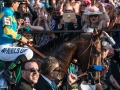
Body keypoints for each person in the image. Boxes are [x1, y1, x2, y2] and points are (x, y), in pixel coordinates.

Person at [0, 0, 33, 84]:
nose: (18, 5)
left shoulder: (7, 12)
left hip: (8, 46)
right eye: (17, 3)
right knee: (28, 52)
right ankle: (8, 72)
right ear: (12, 3)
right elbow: (8, 31)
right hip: (4, 48)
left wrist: (17, 27)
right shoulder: (7, 13)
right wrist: (22, 38)